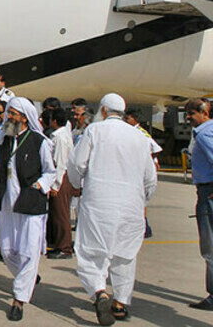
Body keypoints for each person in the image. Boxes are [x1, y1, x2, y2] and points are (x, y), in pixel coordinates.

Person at [68, 94, 158, 325]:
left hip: (98, 202)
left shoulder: (94, 131)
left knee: (91, 252)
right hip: (130, 206)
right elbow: (150, 178)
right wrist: (142, 201)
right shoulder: (139, 137)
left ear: (104, 111)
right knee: (125, 254)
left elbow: (77, 164)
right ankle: (120, 303)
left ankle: (99, 292)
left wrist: (77, 185)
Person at [0, 97, 56, 322]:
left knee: (29, 251)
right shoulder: (4, 140)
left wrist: (40, 185)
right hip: (7, 204)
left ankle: (19, 300)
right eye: (8, 113)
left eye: (13, 114)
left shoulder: (39, 141)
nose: (8, 117)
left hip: (30, 203)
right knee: (7, 251)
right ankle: (29, 277)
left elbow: (50, 171)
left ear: (24, 118)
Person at [185, 98, 213, 311]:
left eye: (191, 113)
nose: (188, 117)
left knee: (210, 249)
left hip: (208, 193)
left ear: (204, 113)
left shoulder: (203, 134)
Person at [123, 108, 162, 238]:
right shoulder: (129, 131)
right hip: (134, 170)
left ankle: (145, 228)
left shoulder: (141, 133)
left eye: (127, 118)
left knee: (140, 200)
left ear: (135, 119)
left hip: (141, 172)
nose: (125, 120)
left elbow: (155, 149)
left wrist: (149, 161)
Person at [45, 108, 75, 260]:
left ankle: (64, 247)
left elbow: (60, 163)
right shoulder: (61, 135)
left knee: (61, 214)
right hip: (60, 177)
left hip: (61, 178)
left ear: (55, 121)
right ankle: (58, 243)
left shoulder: (60, 138)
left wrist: (55, 185)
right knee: (56, 214)